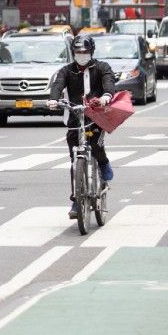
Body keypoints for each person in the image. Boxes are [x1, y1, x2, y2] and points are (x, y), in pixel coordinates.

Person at [46, 36, 117, 219]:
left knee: (96, 145)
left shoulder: (102, 68)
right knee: (74, 159)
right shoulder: (66, 70)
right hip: (75, 119)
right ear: (73, 53)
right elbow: (57, 84)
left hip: (96, 117)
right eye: (78, 52)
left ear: (91, 51)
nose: (82, 55)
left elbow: (109, 82)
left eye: (85, 52)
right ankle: (76, 200)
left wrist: (107, 95)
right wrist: (54, 99)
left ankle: (103, 163)